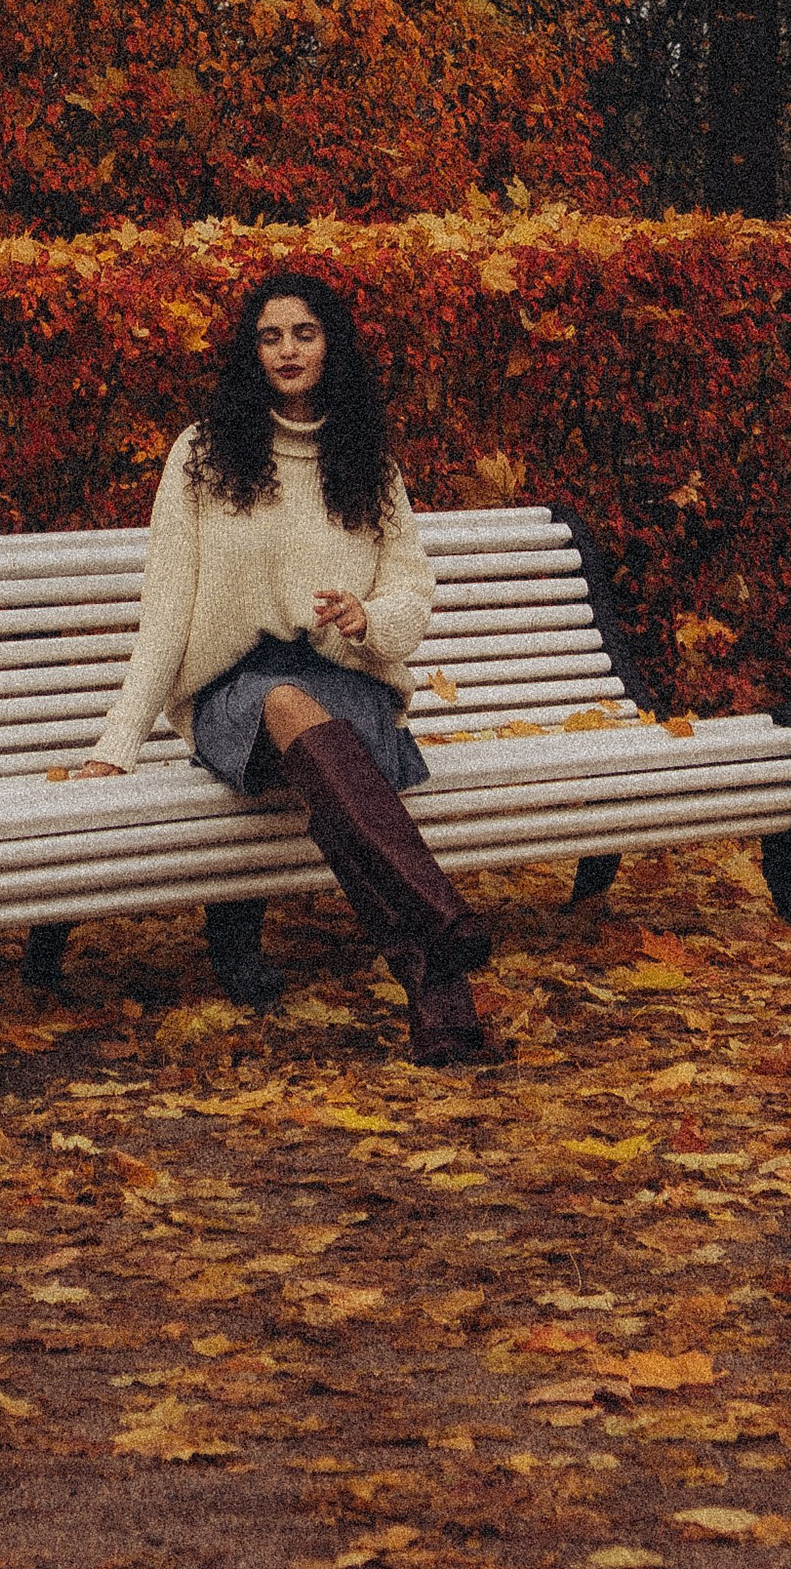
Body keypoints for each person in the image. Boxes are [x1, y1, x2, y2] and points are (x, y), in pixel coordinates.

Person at [65, 268, 493, 1064]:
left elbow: (411, 589)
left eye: (304, 333)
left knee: (315, 730)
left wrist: (368, 620)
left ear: (332, 345)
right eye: (270, 337)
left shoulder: (366, 459)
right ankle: (439, 914)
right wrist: (117, 741)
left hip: (346, 681)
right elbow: (168, 606)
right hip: (239, 693)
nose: (288, 350)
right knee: (284, 698)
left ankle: (440, 999)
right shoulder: (203, 454)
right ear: (251, 352)